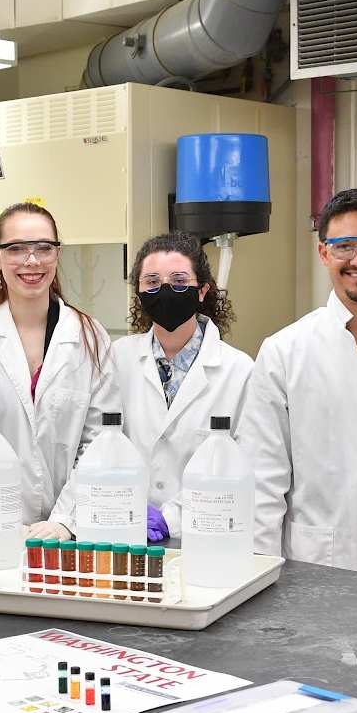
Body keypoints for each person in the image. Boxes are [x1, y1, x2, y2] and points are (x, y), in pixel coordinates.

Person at [238, 188, 357, 575]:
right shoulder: (284, 352)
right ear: (324, 253)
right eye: (344, 246)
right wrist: (260, 579)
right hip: (317, 567)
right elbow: (261, 484)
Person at [0, 202, 109, 536]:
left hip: (70, 533)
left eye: (43, 248)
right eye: (17, 249)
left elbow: (99, 440)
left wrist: (64, 520)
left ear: (57, 254)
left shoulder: (89, 335)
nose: (31, 261)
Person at [82, 230, 253, 542]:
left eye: (178, 281)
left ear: (202, 291)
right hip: (124, 531)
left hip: (205, 532)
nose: (164, 291)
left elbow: (241, 464)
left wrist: (170, 516)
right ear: (138, 291)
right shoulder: (116, 359)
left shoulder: (239, 370)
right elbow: (99, 445)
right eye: (151, 282)